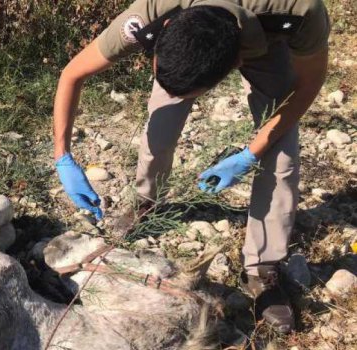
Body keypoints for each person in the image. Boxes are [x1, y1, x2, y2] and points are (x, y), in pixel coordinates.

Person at [53, 0, 329, 333]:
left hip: (266, 41)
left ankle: (262, 267)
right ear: (166, 29)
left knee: (281, 154)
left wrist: (252, 152)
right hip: (195, 34)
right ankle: (146, 201)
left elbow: (308, 85)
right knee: (160, 125)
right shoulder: (155, 9)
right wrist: (63, 156)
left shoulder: (300, 12)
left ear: (236, 64)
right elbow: (72, 73)